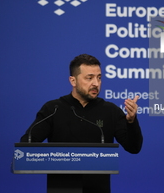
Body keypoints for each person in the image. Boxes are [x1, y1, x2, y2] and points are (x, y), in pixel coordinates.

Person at [20, 54, 143, 193]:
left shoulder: (110, 111)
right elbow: (27, 146)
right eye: (89, 78)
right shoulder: (53, 109)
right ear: (73, 81)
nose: (96, 83)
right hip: (61, 189)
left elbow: (134, 147)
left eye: (99, 77)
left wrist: (132, 122)